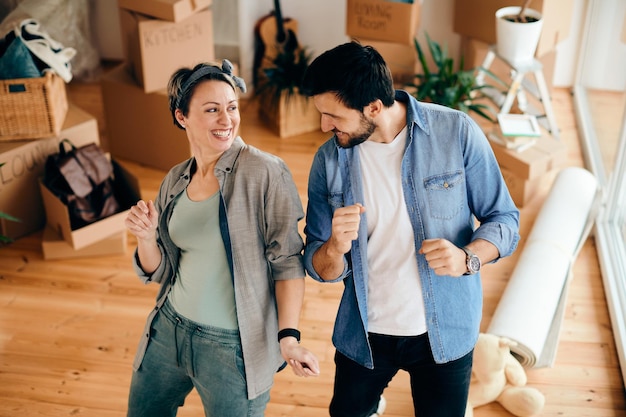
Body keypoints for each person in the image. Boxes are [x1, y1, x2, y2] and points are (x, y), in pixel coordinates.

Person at [300, 41, 520, 417]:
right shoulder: (329, 160)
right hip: (365, 335)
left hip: (445, 333)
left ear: (373, 107)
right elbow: (319, 268)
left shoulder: (456, 133)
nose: (324, 126)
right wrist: (335, 247)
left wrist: (467, 257)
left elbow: (505, 220)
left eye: (333, 115)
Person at [124, 59, 320, 417]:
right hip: (169, 328)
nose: (226, 120)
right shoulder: (175, 179)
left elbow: (288, 260)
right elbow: (162, 270)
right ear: (182, 116)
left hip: (232, 348)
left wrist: (289, 338)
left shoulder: (264, 171)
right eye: (212, 110)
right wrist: (146, 237)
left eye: (231, 108)